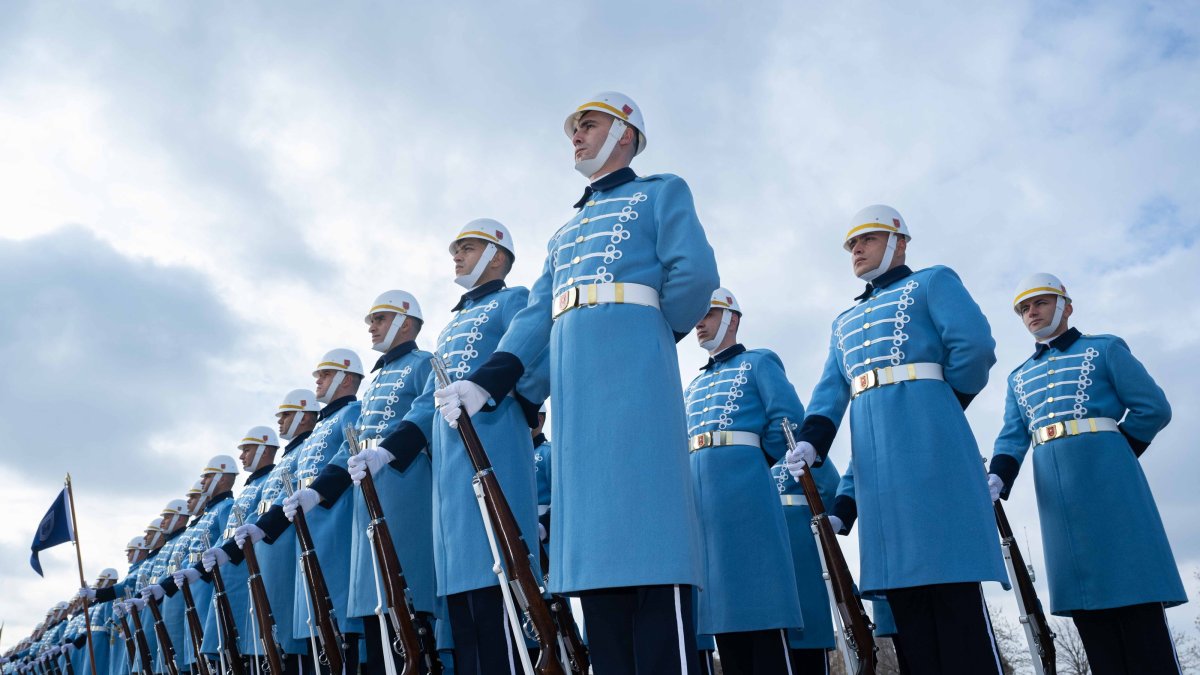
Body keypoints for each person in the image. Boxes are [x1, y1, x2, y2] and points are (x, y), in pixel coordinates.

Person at [436, 91, 719, 675]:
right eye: (576, 128)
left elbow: (694, 273)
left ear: (625, 133)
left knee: (652, 556)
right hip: (578, 401)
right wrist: (488, 383)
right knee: (597, 578)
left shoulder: (660, 191)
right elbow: (537, 313)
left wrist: (644, 332)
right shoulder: (564, 234)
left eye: (588, 125)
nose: (577, 136)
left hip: (634, 380)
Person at [790, 204, 1006, 673]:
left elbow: (975, 348)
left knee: (955, 608)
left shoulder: (932, 282)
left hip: (933, 455)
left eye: (866, 240)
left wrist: (941, 406)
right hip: (880, 478)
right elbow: (830, 390)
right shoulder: (843, 323)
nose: (857, 250)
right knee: (908, 621)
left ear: (899, 242)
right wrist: (812, 441)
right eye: (852, 244)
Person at [987, 273, 1185, 673]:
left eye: (1040, 303)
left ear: (1065, 306)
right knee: (1089, 612)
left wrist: (1116, 455)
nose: (1032, 313)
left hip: (1114, 492)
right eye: (1024, 308)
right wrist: (998, 477)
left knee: (1137, 604)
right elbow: (1012, 437)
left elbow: (1153, 408)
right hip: (1058, 506)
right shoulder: (1019, 377)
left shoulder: (1106, 349)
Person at [374, 222, 546, 674]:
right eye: (457, 250)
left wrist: (503, 395)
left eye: (467, 248)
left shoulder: (515, 299)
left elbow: (532, 356)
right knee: (464, 611)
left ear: (495, 255)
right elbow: (424, 403)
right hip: (449, 471)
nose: (457, 256)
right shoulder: (449, 329)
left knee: (502, 597)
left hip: (494, 443)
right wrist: (388, 452)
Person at [302, 290, 440, 675]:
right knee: (375, 610)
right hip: (366, 499)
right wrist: (316, 490)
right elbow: (349, 445)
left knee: (407, 603)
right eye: (370, 322)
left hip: (404, 485)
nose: (372, 328)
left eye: (378, 320)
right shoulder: (376, 383)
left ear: (405, 321)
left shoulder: (423, 363)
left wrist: (388, 451)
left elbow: (426, 411)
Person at [685, 288, 804, 673]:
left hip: (748, 500)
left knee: (763, 617)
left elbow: (787, 419)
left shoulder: (759, 362)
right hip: (704, 513)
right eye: (697, 318)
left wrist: (750, 463)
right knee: (726, 626)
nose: (699, 324)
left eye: (708, 315)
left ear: (732, 318)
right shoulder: (693, 386)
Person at [205, 389, 321, 675]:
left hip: (284, 552)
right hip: (258, 559)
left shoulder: (287, 463)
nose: (280, 422)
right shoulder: (267, 476)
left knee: (288, 642)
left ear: (265, 449)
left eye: (286, 415)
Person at [191, 429, 280, 667]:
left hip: (243, 570)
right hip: (224, 573)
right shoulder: (244, 492)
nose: (242, 457)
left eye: (247, 450)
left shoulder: (230, 503)